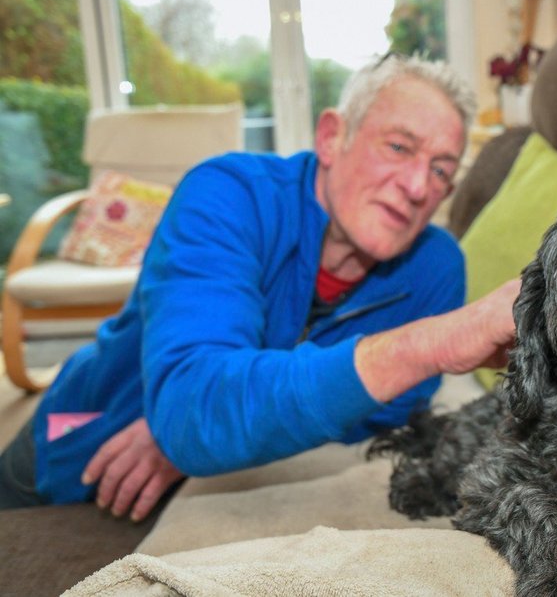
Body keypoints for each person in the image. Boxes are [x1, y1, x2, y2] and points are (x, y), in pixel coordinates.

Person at [0, 55, 520, 521]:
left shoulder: (437, 266)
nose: (416, 187)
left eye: (440, 171)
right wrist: (428, 343)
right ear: (332, 137)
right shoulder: (225, 195)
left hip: (197, 485)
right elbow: (192, 407)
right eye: (399, 147)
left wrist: (220, 433)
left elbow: (385, 415)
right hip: (84, 442)